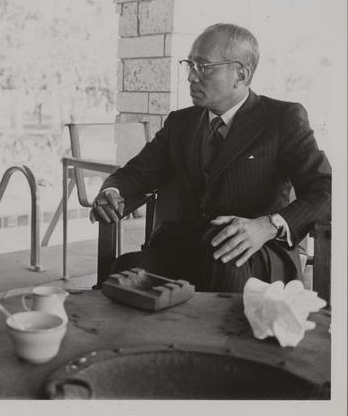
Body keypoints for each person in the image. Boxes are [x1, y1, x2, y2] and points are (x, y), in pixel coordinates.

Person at [90, 23, 331, 292]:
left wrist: (269, 225)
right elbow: (136, 173)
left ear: (241, 74)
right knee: (125, 272)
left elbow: (327, 190)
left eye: (203, 67)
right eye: (190, 64)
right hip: (184, 248)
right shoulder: (180, 123)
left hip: (254, 253)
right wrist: (110, 191)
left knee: (225, 255)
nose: (191, 77)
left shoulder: (282, 118)